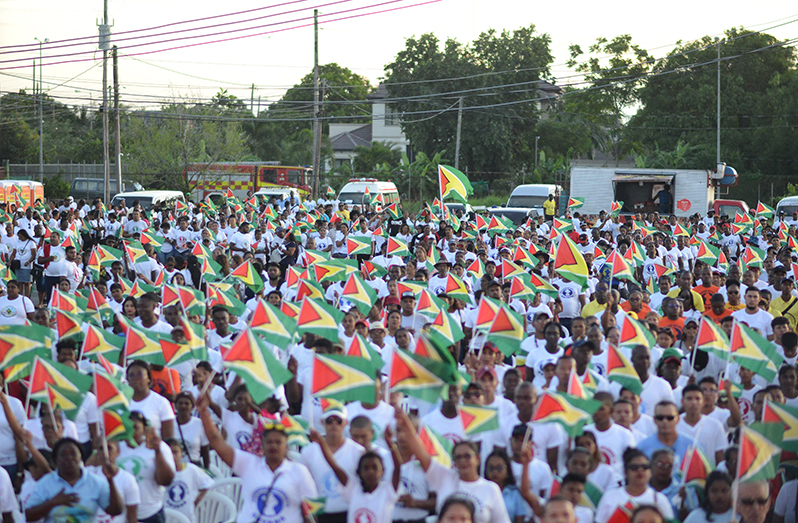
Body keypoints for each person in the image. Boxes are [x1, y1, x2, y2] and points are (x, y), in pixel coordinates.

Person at [196, 392, 317, 523]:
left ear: (286, 445)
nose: (273, 446)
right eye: (269, 442)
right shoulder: (248, 464)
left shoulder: (299, 472)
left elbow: (311, 514)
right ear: (262, 443)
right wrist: (204, 412)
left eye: (278, 442)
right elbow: (217, 442)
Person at [395, 406, 510, 523]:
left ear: (478, 458)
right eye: (458, 457)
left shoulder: (491, 489)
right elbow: (420, 452)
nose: (462, 460)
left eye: (467, 456)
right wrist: (405, 423)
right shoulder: (444, 477)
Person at [310, 424, 401, 523]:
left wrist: (390, 443)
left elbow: (398, 468)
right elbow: (334, 466)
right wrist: (322, 443)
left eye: (375, 468)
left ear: (383, 471)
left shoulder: (387, 490)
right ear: (359, 472)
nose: (370, 472)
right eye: (366, 468)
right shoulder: (353, 489)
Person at [25, 437, 123, 523]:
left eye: (73, 454)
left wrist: (110, 480)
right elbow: (28, 516)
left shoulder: (96, 482)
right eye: (63, 455)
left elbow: (116, 510)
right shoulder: (45, 483)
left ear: (80, 457)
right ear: (55, 460)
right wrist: (52, 503)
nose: (69, 458)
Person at [116, 412, 176, 523]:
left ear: (144, 429)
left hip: (150, 514)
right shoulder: (116, 448)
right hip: (121, 516)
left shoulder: (160, 446)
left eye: (135, 427)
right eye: (128, 427)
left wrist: (157, 451)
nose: (131, 431)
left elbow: (166, 480)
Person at [594, 448, 674, 523]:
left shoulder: (659, 499)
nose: (640, 470)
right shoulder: (610, 496)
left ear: (650, 471)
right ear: (625, 472)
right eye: (634, 467)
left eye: (644, 467)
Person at [163, 439, 212, 523]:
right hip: (167, 517)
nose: (173, 456)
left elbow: (207, 484)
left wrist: (196, 500)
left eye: (175, 452)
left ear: (181, 453)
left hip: (187, 517)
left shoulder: (191, 469)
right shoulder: (160, 472)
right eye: (169, 452)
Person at [126, 361, 175, 439]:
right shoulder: (121, 402)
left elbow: (169, 438)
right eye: (131, 375)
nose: (135, 378)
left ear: (148, 378)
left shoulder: (161, 402)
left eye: (140, 374)